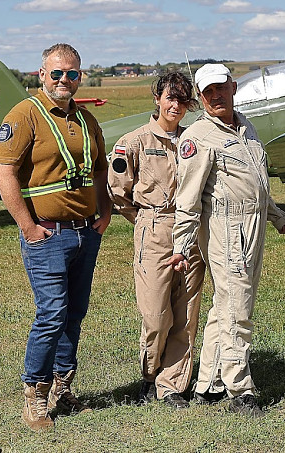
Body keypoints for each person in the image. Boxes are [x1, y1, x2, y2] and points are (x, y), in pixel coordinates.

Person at [168, 63, 285, 417]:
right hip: (227, 230)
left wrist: (277, 217)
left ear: (233, 87)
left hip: (253, 225)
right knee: (237, 309)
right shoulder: (198, 137)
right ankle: (240, 391)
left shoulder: (245, 127)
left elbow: (256, 183)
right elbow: (187, 199)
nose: (215, 96)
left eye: (220, 88)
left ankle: (208, 384)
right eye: (207, 92)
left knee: (225, 305)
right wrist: (181, 246)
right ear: (200, 97)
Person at [0, 43, 112, 431]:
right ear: (42, 75)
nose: (65, 80)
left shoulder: (86, 118)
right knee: (51, 314)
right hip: (47, 235)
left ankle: (63, 388)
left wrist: (105, 210)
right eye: (57, 73)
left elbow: (99, 169)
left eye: (72, 73)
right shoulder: (24, 114)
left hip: (85, 233)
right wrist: (28, 227)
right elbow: (4, 172)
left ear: (80, 77)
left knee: (74, 314)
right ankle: (35, 395)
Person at [108, 71, 205, 409]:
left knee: (186, 314)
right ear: (158, 99)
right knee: (155, 314)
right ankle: (149, 375)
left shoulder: (194, 141)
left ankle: (172, 385)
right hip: (154, 229)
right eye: (170, 98)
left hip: (191, 230)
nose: (176, 106)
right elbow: (118, 192)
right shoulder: (134, 141)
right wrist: (146, 222)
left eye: (182, 100)